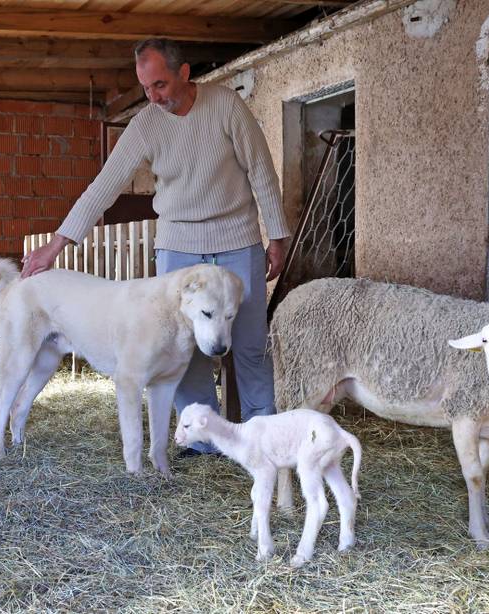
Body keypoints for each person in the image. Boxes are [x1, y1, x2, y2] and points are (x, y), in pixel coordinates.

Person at [21, 38, 291, 456]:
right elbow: (104, 188)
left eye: (160, 85)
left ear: (184, 73)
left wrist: (277, 234)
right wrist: (56, 246)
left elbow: (260, 170)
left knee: (250, 344)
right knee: (183, 351)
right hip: (178, 246)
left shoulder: (226, 106)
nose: (153, 96)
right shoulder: (146, 123)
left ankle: (263, 441)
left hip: (237, 239)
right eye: (146, 88)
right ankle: (203, 441)